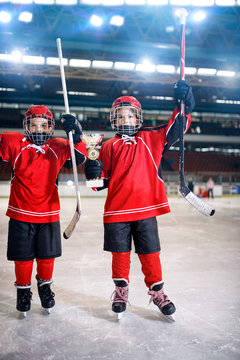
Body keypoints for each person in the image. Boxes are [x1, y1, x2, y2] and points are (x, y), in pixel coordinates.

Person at [84, 80, 195, 319]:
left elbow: (178, 127)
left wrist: (184, 100)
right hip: (117, 211)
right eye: (121, 117)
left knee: (150, 253)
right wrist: (91, 170)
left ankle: (158, 292)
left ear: (138, 119)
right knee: (120, 254)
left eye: (130, 116)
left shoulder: (152, 138)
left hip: (146, 210)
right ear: (114, 120)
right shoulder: (106, 146)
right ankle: (121, 292)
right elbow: (97, 185)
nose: (126, 120)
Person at [0, 105, 87, 315]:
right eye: (33, 124)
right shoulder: (14, 142)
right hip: (20, 212)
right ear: (26, 126)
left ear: (51, 128)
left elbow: (81, 157)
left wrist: (77, 133)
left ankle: (45, 287)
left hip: (48, 213)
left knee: (47, 256)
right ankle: (23, 291)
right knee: (22, 257)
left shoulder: (57, 145)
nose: (38, 129)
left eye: (44, 125)